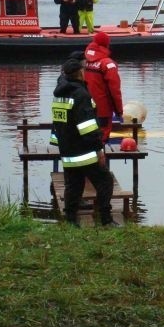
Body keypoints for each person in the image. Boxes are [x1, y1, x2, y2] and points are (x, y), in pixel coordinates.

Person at [51, 58, 119, 228]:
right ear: (80, 72)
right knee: (105, 181)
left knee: (73, 186)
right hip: (85, 151)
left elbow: (58, 124)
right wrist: (99, 149)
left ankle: (71, 221)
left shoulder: (59, 95)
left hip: (67, 150)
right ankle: (106, 219)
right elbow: (87, 127)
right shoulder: (81, 95)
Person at [84, 32, 123, 143]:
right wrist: (119, 111)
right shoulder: (108, 64)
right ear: (107, 45)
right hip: (103, 110)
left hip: (84, 109)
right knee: (101, 140)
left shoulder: (83, 62)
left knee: (87, 139)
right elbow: (115, 91)